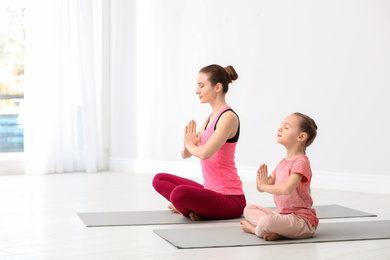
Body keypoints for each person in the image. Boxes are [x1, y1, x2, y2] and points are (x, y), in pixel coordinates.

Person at [152, 64, 246, 221]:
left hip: (230, 199)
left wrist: (190, 145)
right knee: (159, 179)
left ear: (217, 87)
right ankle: (190, 208)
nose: (197, 91)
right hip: (210, 190)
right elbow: (185, 154)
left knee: (179, 194)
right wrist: (187, 144)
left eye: (201, 86)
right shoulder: (210, 118)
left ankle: (187, 208)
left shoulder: (228, 117)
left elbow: (205, 153)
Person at [240, 112, 318, 241]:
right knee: (249, 209)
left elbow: (287, 189)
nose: (280, 128)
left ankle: (255, 230)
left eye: (286, 127)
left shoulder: (301, 162)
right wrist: (261, 183)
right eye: (281, 125)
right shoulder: (283, 163)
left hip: (301, 221)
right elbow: (263, 187)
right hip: (282, 215)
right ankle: (279, 231)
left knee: (266, 221)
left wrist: (264, 186)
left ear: (301, 136)